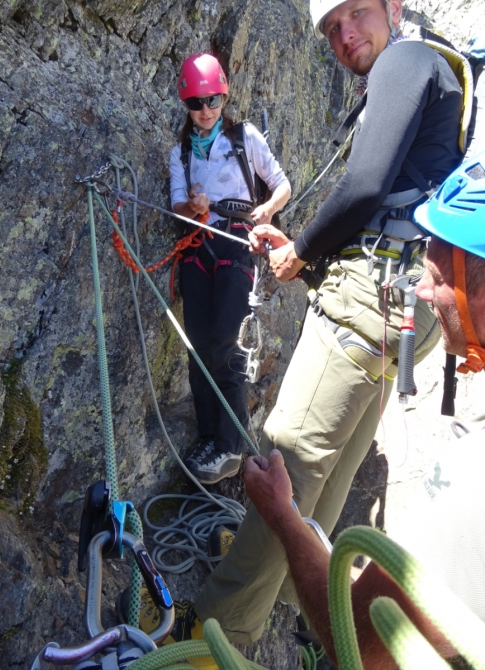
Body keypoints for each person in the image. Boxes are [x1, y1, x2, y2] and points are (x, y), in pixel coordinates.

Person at [192, 0, 465, 644]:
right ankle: (303, 593)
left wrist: (304, 252)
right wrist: (307, 259)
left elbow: (366, 184)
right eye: (331, 29)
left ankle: (215, 636)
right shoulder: (444, 72)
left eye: (356, 14)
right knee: (334, 458)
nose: (344, 35)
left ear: (393, 7)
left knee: (290, 457)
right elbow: (392, 201)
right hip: (407, 305)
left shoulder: (407, 57)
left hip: (371, 297)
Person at [242, 151, 485, 667]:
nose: (420, 289)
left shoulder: (469, 483)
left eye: (436, 271)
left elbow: (364, 642)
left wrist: (283, 518)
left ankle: (219, 624)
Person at [170, 53, 291, 485]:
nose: (206, 110)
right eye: (197, 102)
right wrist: (193, 206)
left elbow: (282, 185)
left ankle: (231, 445)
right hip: (198, 248)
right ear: (186, 104)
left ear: (224, 96)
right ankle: (210, 439)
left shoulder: (244, 138)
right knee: (199, 346)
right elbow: (176, 204)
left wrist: (265, 212)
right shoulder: (180, 153)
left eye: (214, 99)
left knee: (227, 341)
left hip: (237, 246)